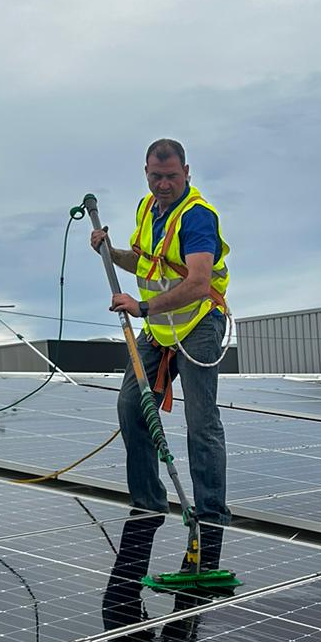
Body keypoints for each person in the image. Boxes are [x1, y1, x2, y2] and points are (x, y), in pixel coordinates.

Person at [90, 139, 230, 560]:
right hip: (160, 328)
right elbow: (144, 261)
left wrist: (142, 306)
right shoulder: (147, 209)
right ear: (145, 173)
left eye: (171, 176)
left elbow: (198, 282)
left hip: (198, 322)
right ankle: (148, 504)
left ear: (187, 172)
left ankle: (210, 517)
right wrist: (108, 253)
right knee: (132, 406)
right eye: (156, 176)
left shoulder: (197, 216)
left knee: (200, 420)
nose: (163, 184)